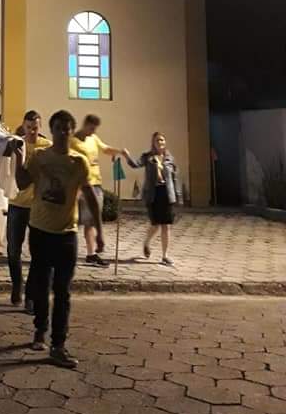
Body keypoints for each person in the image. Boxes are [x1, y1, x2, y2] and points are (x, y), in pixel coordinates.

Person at [13, 109, 104, 369]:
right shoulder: (40, 158)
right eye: (58, 128)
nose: (63, 132)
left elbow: (89, 198)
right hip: (40, 231)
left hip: (67, 234)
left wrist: (99, 232)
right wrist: (19, 158)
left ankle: (58, 344)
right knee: (41, 285)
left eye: (67, 128)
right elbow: (21, 184)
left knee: (62, 291)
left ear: (71, 130)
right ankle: (40, 330)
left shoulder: (79, 162)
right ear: (51, 131)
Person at [6, 111, 51, 313]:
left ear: (40, 127)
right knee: (13, 251)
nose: (32, 131)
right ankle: (17, 284)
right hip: (17, 204)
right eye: (29, 127)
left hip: (38, 207)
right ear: (23, 126)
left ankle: (30, 297)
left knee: (37, 254)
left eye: (36, 128)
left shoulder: (47, 146)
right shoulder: (17, 144)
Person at [70, 114, 127, 267]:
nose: (92, 131)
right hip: (80, 185)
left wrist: (119, 152)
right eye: (91, 128)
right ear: (85, 124)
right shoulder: (73, 141)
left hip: (95, 183)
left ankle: (91, 253)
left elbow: (105, 149)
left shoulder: (93, 138)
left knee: (91, 221)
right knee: (73, 220)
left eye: (94, 129)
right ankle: (67, 252)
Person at [126, 132, 179, 265]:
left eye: (162, 140)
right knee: (155, 224)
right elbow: (135, 164)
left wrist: (178, 196)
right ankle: (146, 243)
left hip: (166, 193)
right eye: (157, 140)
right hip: (153, 194)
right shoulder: (147, 157)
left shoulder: (169, 158)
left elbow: (174, 178)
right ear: (153, 143)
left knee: (166, 225)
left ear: (165, 142)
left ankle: (165, 256)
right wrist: (126, 155)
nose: (160, 142)